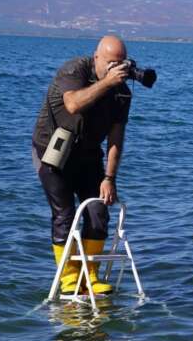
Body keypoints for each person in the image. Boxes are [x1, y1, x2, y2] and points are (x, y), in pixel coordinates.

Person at [32, 35, 132, 295]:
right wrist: (107, 82)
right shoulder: (74, 70)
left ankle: (91, 276)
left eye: (121, 63)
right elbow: (73, 104)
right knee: (64, 214)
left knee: (99, 212)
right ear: (96, 57)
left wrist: (110, 178)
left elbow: (116, 138)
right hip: (52, 151)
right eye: (111, 63)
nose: (116, 69)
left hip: (88, 155)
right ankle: (68, 278)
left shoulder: (122, 92)